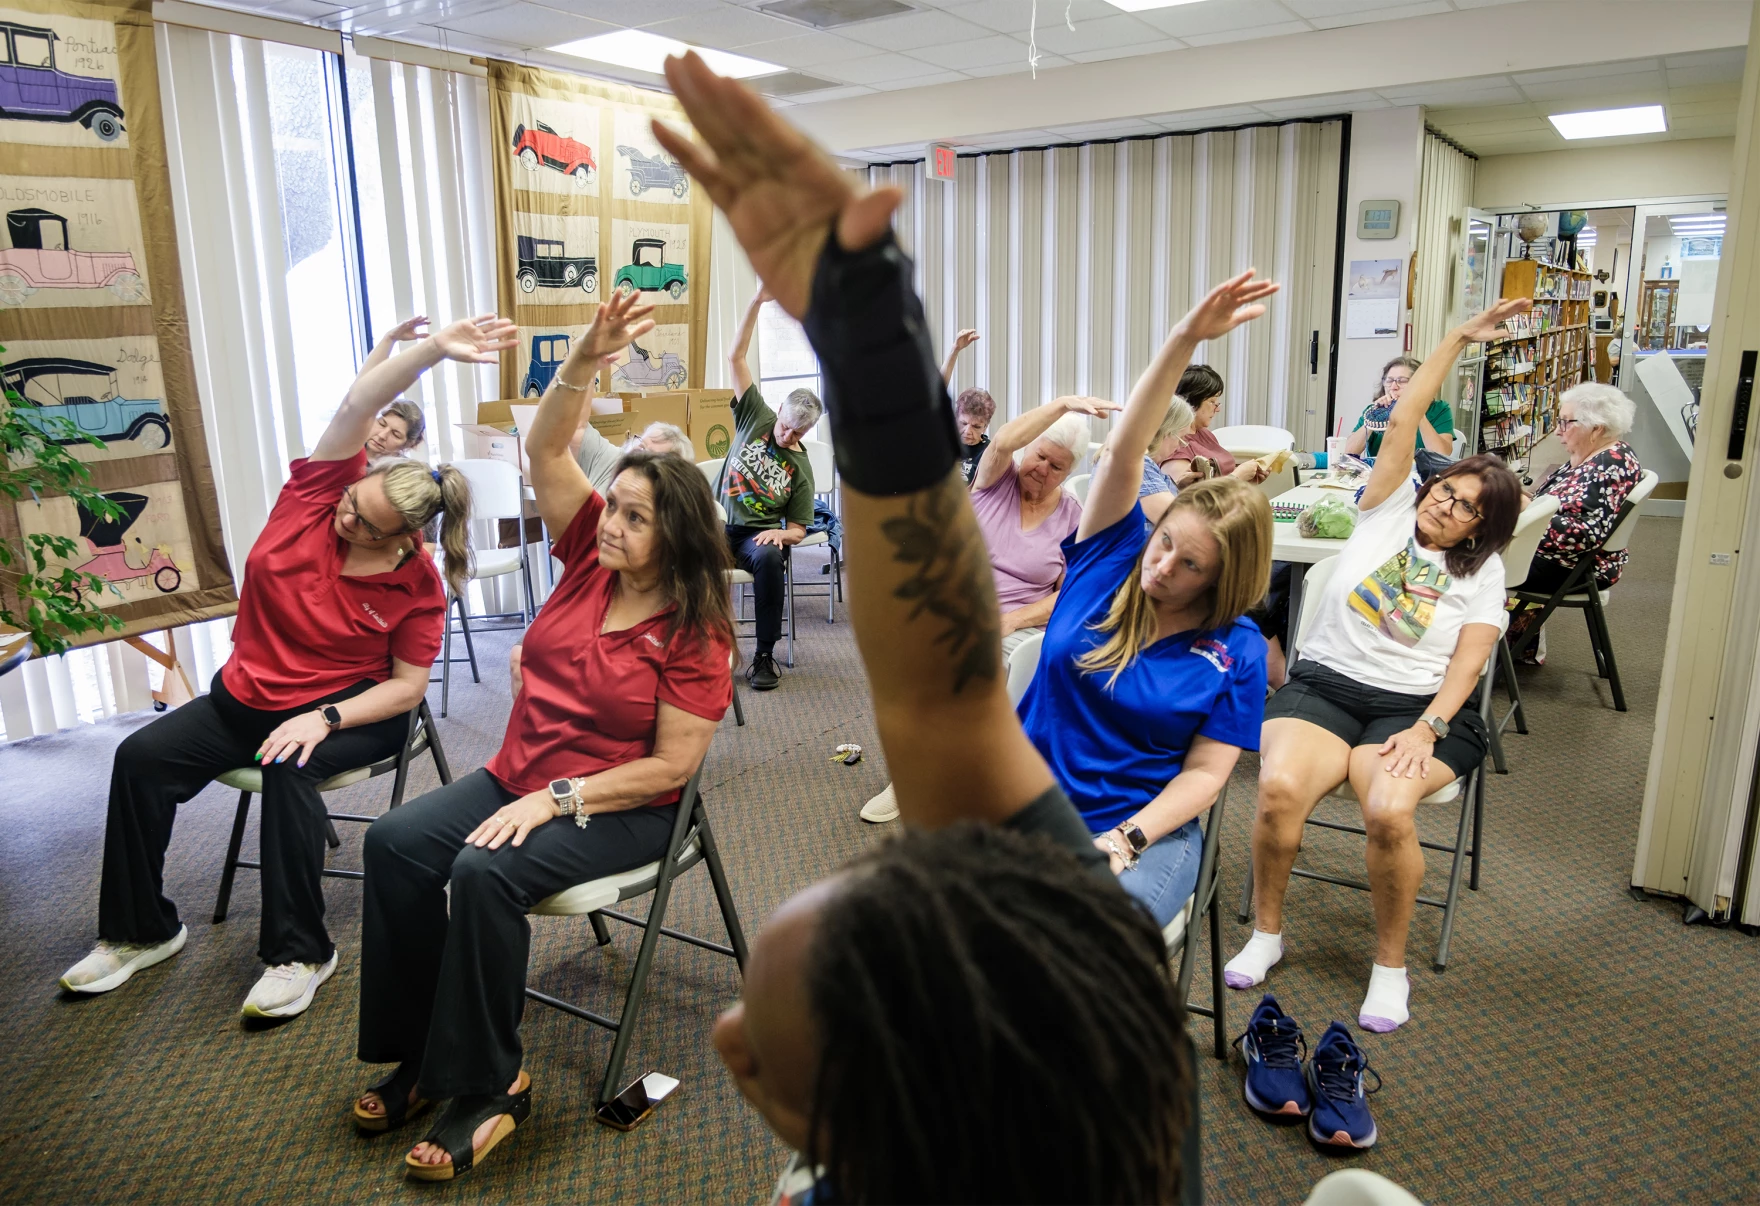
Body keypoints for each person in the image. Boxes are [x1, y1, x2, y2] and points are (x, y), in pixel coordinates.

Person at [657, 51, 1196, 1203]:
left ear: (768, 1094)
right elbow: (937, 699)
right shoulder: (1089, 1036)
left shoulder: (1112, 1031)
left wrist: (867, 343)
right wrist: (870, 355)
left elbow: (929, 699)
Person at [352, 289, 736, 1180]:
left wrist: (557, 799)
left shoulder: (694, 629)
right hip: (522, 774)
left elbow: (671, 767)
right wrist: (587, 358)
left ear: (673, 538)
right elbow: (547, 445)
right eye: (614, 506)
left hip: (622, 802)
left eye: (637, 518)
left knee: (484, 874)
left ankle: (495, 1083)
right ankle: (423, 1055)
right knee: (400, 843)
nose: (612, 522)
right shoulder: (584, 559)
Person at [56, 316, 504, 1017]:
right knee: (140, 758)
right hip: (245, 697)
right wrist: (428, 353)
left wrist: (323, 718)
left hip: (350, 710)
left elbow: (407, 687)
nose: (345, 518)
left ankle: (301, 952)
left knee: (288, 768)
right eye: (352, 501)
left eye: (362, 522)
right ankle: (140, 932)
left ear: (402, 539)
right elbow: (358, 408)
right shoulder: (316, 497)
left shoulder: (414, 584)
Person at [1225, 300, 1528, 1042]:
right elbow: (1404, 420)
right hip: (1326, 685)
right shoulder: (1386, 507)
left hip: (1418, 707)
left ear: (1481, 529)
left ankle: (1389, 967)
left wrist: (1429, 729)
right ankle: (1268, 931)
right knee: (1277, 788)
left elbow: (1471, 658)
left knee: (1389, 811)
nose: (1442, 503)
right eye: (1444, 489)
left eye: (1461, 507)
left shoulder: (1483, 573)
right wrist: (1457, 337)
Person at [1017, 278, 1275, 929]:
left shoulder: (1235, 648)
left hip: (1142, 830)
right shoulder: (1110, 559)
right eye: (1163, 545)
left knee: (1085, 947)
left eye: (1190, 565)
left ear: (1223, 580)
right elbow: (1126, 450)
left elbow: (1208, 775)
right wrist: (1184, 338)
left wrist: (1126, 840)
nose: (1159, 569)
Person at [859, 393, 1106, 825]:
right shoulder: (995, 480)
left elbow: (1067, 596)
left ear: (1071, 472)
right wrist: (1063, 405)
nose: (1042, 470)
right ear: (1030, 447)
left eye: (1057, 467)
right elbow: (1004, 441)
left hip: (1022, 625)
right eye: (1041, 456)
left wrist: (1012, 620)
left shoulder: (1072, 517)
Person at [722, 285, 822, 691]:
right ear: (778, 409)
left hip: (752, 536)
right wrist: (756, 302)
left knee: (769, 560)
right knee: (673, 547)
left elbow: (799, 528)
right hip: (715, 523)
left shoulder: (800, 466)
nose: (786, 434)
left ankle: (764, 656)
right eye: (785, 425)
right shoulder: (755, 415)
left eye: (798, 431)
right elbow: (735, 356)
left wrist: (783, 534)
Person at [1506, 383, 1643, 663]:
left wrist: (1526, 509)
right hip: (1563, 558)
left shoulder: (1609, 465)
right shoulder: (1591, 456)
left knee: (1466, 559)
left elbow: (1585, 535)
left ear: (1597, 428)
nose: (1558, 430)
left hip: (1574, 567)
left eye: (1566, 422)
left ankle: (1471, 654)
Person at [1163, 365, 1268, 487]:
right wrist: (1238, 478)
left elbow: (1221, 478)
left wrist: (1246, 479)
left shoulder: (1205, 434)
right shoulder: (1175, 444)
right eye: (1212, 402)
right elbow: (1190, 497)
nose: (1217, 409)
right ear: (1190, 401)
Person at [1342, 355, 1454, 464]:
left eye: (1402, 381)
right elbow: (1348, 452)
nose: (1394, 387)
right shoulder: (1373, 412)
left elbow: (1441, 454)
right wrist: (1373, 420)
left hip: (1422, 477)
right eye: (1389, 381)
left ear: (1419, 384)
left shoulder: (1439, 409)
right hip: (1380, 475)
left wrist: (1417, 412)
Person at [361, 318, 432, 458]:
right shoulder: (349, 450)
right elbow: (360, 392)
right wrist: (390, 338)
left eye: (395, 434)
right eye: (381, 424)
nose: (382, 435)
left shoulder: (402, 474)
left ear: (408, 445)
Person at [574, 415, 696, 496]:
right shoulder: (611, 457)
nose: (638, 450)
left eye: (649, 455)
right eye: (642, 444)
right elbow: (574, 422)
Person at [1137, 395, 1195, 526]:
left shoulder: (1136, 460)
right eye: (1181, 438)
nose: (1180, 446)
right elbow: (1177, 521)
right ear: (1166, 432)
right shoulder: (1138, 465)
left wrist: (1179, 487)